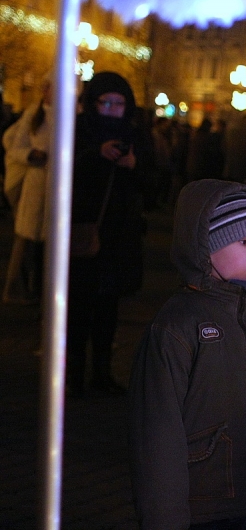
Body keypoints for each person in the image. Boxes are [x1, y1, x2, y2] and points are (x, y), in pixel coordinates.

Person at [128, 179, 246, 530]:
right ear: (205, 246)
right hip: (203, 509)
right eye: (244, 241)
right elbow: (157, 435)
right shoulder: (177, 326)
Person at [67, 71, 149, 397]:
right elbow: (65, 172)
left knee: (108, 309)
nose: (113, 109)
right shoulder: (79, 130)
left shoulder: (134, 135)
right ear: (93, 103)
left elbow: (152, 184)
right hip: (85, 232)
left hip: (118, 237)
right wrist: (95, 155)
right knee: (78, 308)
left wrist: (134, 165)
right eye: (107, 102)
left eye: (119, 103)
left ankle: (102, 372)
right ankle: (73, 375)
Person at [2, 74, 51, 305]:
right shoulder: (34, 113)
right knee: (24, 239)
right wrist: (31, 155)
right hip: (34, 182)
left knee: (47, 244)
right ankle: (16, 288)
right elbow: (13, 143)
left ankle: (41, 290)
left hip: (53, 187)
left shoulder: (71, 115)